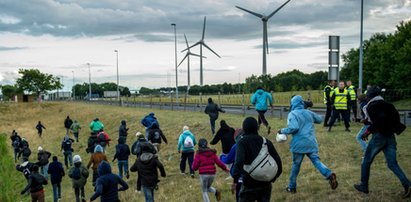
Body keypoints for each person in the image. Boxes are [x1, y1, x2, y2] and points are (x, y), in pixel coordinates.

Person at [354, 87, 411, 198]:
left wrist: (368, 131)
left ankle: (364, 185)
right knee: (392, 164)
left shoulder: (371, 105)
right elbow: (393, 119)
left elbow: (380, 119)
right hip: (390, 136)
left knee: (366, 160)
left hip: (379, 136)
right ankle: (408, 185)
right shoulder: (389, 105)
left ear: (370, 96)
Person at [279, 95, 338, 193]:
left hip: (298, 144)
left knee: (296, 165)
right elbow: (319, 120)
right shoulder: (309, 112)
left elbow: (294, 127)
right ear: (302, 103)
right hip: (311, 142)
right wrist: (309, 112)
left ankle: (292, 187)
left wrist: (282, 131)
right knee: (316, 161)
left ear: (292, 104)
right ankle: (329, 174)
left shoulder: (292, 114)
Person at [232, 117, 282, 202]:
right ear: (257, 128)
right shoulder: (266, 141)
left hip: (249, 184)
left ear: (244, 128)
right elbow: (278, 162)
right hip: (266, 184)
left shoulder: (242, 142)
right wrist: (273, 178)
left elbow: (239, 162)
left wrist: (235, 180)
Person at [220, 130, 244, 202]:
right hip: (253, 177)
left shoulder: (237, 146)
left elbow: (228, 160)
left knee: (239, 198)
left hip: (240, 178)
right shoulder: (254, 143)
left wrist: (221, 157)